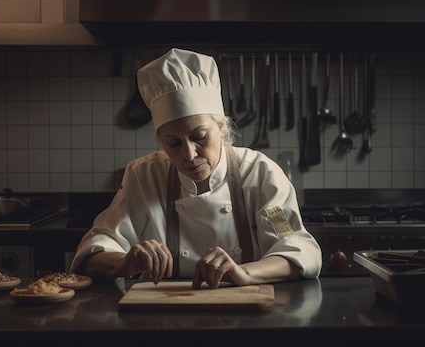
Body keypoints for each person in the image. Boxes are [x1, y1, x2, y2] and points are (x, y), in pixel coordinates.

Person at [70, 48, 322, 289]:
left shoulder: (260, 174)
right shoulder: (144, 176)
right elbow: (95, 251)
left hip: (245, 313)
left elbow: (296, 247)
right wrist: (124, 263)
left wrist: (245, 272)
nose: (189, 155)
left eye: (199, 136)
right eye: (174, 143)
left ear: (222, 128)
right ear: (161, 141)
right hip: (166, 315)